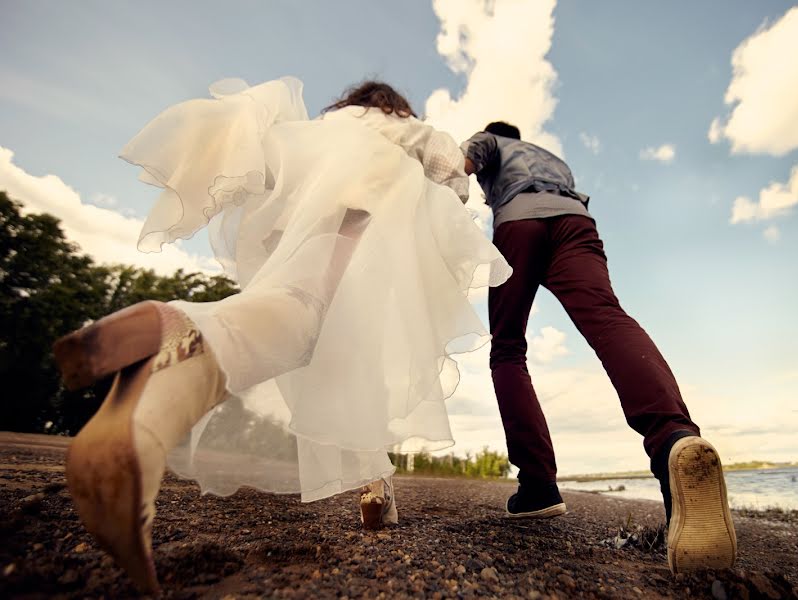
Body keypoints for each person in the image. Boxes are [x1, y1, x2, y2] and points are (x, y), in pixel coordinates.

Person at [54, 79, 511, 594]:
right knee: (310, 332)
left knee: (315, 332)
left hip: (295, 214)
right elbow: (451, 173)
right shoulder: (408, 129)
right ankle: (181, 333)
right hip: (358, 217)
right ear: (394, 105)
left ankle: (148, 421)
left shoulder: (326, 126)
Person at [462, 121, 736, 573]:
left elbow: (460, 162)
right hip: (576, 223)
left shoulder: (492, 142)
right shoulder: (553, 157)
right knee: (607, 316)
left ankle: (538, 487)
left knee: (507, 348)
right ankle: (673, 439)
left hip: (520, 223)